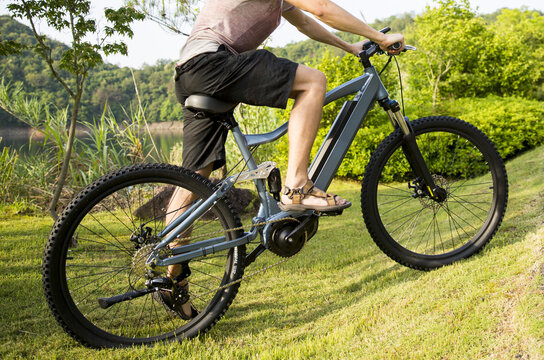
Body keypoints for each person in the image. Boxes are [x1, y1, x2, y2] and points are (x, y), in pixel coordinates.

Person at [160, 0, 405, 319]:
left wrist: (349, 46)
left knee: (194, 179)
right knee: (313, 82)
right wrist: (379, 36)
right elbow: (319, 7)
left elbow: (305, 21)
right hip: (214, 62)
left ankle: (172, 278)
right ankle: (297, 186)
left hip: (191, 70)